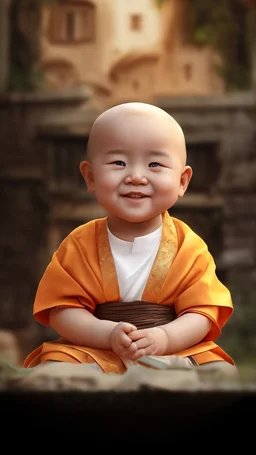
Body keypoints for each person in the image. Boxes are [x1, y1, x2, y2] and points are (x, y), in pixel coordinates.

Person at [23, 102, 236, 375]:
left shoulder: (189, 246)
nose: (136, 177)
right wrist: (107, 334)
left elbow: (202, 313)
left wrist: (165, 338)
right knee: (52, 371)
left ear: (182, 181)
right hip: (95, 349)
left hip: (172, 349)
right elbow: (61, 310)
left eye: (155, 164)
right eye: (119, 163)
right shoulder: (79, 243)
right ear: (90, 177)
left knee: (220, 372)